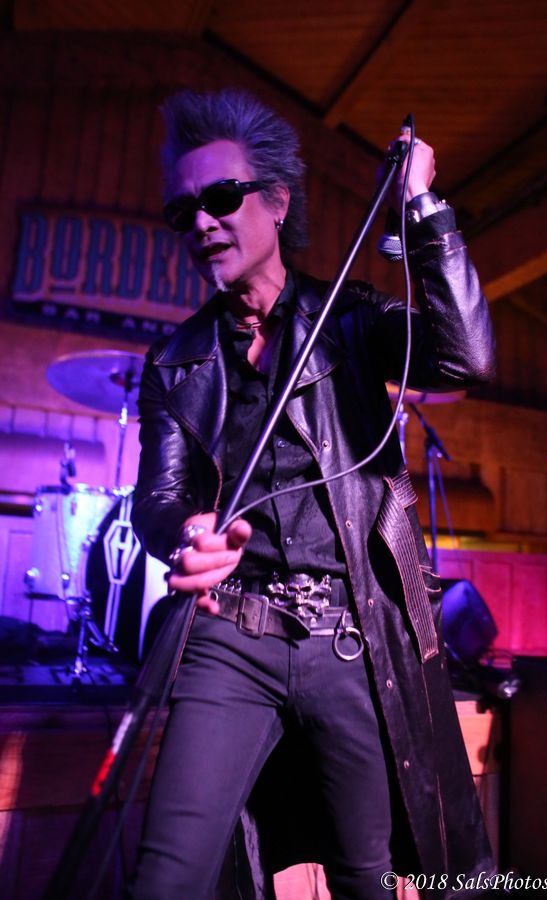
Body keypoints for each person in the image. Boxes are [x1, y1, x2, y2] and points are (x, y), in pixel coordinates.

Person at [131, 87, 497, 900]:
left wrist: (422, 209)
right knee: (166, 877)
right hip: (232, 636)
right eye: (183, 211)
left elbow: (464, 357)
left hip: (349, 639)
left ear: (277, 201)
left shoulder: (352, 321)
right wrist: (185, 531)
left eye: (221, 198)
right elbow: (155, 500)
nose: (201, 222)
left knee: (366, 874)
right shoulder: (176, 361)